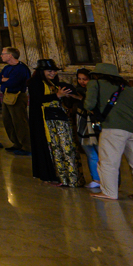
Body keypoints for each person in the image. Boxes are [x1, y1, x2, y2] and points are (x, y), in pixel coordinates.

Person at [85, 63, 133, 202]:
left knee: (108, 162)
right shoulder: (129, 88)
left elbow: (88, 104)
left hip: (113, 129)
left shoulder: (95, 83)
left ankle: (109, 192)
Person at [29, 59, 82, 187]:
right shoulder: (34, 82)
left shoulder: (53, 82)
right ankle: (48, 174)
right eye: (49, 71)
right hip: (41, 118)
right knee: (45, 145)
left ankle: (65, 175)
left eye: (54, 71)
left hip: (56, 119)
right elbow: (37, 99)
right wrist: (57, 95)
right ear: (41, 71)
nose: (52, 73)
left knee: (60, 145)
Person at [68, 69, 100, 190]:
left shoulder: (95, 91)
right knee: (90, 153)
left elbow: (92, 105)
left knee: (100, 152)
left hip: (94, 124)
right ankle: (96, 178)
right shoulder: (77, 90)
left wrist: (81, 98)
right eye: (79, 79)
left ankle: (106, 179)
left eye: (85, 79)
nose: (82, 82)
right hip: (82, 123)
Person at [0, 47, 31, 155]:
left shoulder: (21, 68)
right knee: (8, 121)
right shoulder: (7, 68)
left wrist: (5, 80)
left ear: (10, 55)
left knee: (19, 122)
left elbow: (13, 83)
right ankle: (16, 143)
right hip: (7, 96)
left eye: (3, 54)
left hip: (17, 97)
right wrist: (4, 80)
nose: (1, 56)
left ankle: (27, 146)